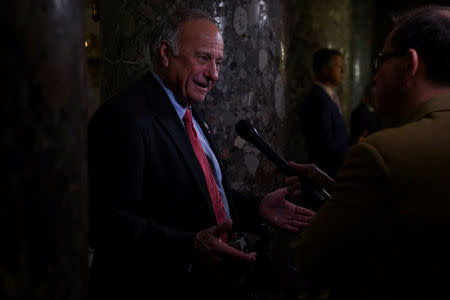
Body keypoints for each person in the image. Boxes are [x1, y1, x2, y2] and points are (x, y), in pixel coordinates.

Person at [87, 9, 315, 299]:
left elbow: (203, 195)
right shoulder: (124, 117)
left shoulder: (192, 112)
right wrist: (189, 245)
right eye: (204, 58)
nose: (214, 75)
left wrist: (257, 207)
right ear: (166, 53)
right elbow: (107, 224)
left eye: (218, 62)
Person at [289, 5, 450, 299]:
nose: (375, 77)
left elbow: (313, 261)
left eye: (381, 60)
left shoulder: (380, 153)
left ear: (410, 64)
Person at [300, 48, 349, 179]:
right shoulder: (319, 100)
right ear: (324, 69)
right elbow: (326, 145)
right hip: (325, 174)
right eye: (338, 66)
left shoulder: (328, 96)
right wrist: (354, 148)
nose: (342, 71)